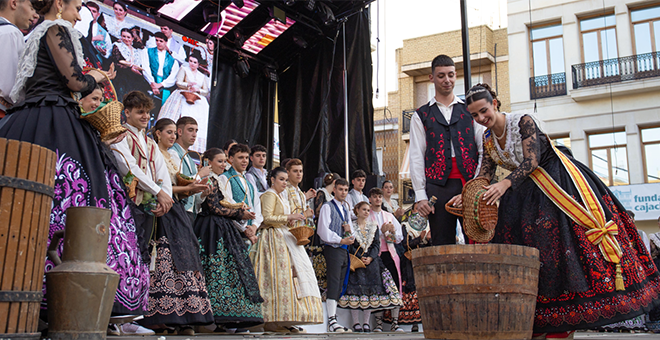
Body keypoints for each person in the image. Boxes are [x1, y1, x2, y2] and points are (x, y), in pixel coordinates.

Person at [463, 83, 660, 337]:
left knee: (558, 249)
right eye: (474, 115)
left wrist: (505, 183)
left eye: (484, 111)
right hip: (523, 189)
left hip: (554, 181)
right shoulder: (487, 137)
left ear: (496, 103)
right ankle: (537, 318)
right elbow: (485, 174)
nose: (481, 118)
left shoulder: (523, 121)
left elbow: (531, 161)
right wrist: (468, 194)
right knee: (523, 251)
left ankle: (565, 323)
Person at [0, 1, 150, 334]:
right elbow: (75, 82)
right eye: (77, 6)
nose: (79, 14)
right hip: (53, 118)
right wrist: (95, 76)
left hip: (25, 120)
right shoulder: (57, 29)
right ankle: (69, 298)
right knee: (83, 197)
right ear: (59, 3)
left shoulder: (33, 34)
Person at [142, 118, 213, 335]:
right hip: (162, 208)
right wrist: (196, 181)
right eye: (169, 132)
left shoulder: (178, 158)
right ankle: (158, 314)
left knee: (182, 261)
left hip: (179, 210)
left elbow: (181, 186)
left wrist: (196, 190)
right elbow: (161, 185)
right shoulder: (157, 152)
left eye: (174, 133)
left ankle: (181, 315)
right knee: (163, 259)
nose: (172, 136)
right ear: (158, 133)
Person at [111, 92, 174, 336]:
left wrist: (165, 198)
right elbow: (128, 166)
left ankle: (132, 315)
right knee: (122, 256)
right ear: (126, 112)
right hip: (125, 203)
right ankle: (117, 315)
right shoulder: (120, 136)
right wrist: (159, 192)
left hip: (145, 206)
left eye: (147, 113)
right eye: (140, 112)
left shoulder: (149, 143)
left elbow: (161, 172)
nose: (145, 117)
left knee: (141, 256)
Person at [410, 54, 484, 246]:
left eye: (450, 75)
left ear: (456, 75)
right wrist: (420, 196)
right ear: (432, 78)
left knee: (478, 241)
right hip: (437, 187)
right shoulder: (421, 115)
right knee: (442, 244)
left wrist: (478, 185)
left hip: (469, 184)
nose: (447, 80)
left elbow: (483, 149)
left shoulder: (470, 110)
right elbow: (417, 156)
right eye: (441, 75)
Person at [193, 148, 263, 332]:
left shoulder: (219, 179)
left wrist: (242, 214)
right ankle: (213, 318)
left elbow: (224, 206)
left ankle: (228, 318)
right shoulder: (208, 179)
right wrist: (239, 213)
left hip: (221, 227)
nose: (224, 165)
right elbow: (214, 207)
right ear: (209, 162)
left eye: (225, 161)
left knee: (227, 271)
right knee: (215, 270)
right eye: (220, 161)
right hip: (210, 228)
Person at [250, 167, 324, 333]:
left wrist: (288, 220)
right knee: (274, 278)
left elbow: (279, 217)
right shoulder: (269, 194)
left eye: (285, 179)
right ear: (273, 180)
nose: (284, 182)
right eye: (281, 179)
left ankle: (283, 319)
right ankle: (270, 319)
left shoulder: (280, 196)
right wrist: (289, 217)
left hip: (283, 236)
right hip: (271, 238)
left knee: (290, 278)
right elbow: (267, 218)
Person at [338, 201, 403, 333]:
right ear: (357, 210)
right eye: (364, 209)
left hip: (371, 262)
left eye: (368, 210)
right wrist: (359, 256)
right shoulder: (351, 226)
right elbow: (349, 243)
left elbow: (376, 245)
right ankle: (356, 322)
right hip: (356, 261)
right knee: (355, 291)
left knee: (370, 291)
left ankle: (366, 322)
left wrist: (371, 257)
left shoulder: (374, 226)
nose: (366, 212)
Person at [383, 201, 429, 332]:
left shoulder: (428, 224)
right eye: (416, 210)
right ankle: (410, 321)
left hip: (424, 259)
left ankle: (421, 320)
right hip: (410, 260)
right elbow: (404, 243)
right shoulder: (406, 225)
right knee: (410, 287)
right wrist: (419, 239)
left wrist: (427, 239)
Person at [317, 178, 355, 333]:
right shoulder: (327, 206)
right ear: (334, 189)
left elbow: (351, 231)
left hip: (343, 248)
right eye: (340, 189)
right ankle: (331, 320)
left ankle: (334, 318)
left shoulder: (345, 208)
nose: (343, 193)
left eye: (346, 190)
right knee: (333, 281)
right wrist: (340, 239)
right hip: (333, 247)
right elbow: (322, 230)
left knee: (340, 282)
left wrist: (348, 233)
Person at [366, 188, 405, 332]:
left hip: (390, 253)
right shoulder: (367, 215)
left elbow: (399, 238)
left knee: (394, 285)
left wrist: (393, 231)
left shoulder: (389, 215)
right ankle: (378, 323)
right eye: (375, 197)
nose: (377, 199)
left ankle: (395, 322)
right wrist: (379, 232)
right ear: (370, 199)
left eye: (379, 197)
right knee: (378, 287)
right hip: (375, 254)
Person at [157, 50, 209, 153]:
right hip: (182, 96)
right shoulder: (184, 69)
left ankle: (193, 147)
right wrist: (187, 85)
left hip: (197, 101)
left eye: (194, 62)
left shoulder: (201, 76)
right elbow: (178, 82)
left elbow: (206, 91)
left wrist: (197, 90)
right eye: (190, 61)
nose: (192, 64)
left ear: (198, 64)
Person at [167, 117, 210, 222]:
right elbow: (177, 182)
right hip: (177, 209)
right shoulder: (173, 153)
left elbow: (194, 196)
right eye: (190, 130)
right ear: (180, 131)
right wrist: (200, 174)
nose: (194, 134)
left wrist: (203, 193)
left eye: (196, 131)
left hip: (189, 212)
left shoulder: (189, 157)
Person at [218, 144, 261, 244]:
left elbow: (257, 206)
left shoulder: (248, 182)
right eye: (241, 157)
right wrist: (244, 228)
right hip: (232, 232)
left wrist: (254, 226)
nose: (245, 161)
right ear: (231, 158)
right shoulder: (225, 178)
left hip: (250, 233)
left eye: (246, 157)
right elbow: (228, 204)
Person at [0, 0, 37, 118]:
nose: (35, 15)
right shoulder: (10, 32)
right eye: (32, 8)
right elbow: (7, 89)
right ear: (14, 3)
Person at [141, 31, 179, 120]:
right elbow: (145, 68)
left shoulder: (173, 60)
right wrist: (153, 84)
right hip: (149, 82)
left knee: (159, 111)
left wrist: (160, 85)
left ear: (166, 42)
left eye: (161, 41)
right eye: (157, 40)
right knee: (144, 108)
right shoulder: (147, 51)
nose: (158, 43)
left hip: (164, 86)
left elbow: (173, 77)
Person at [110, 27, 147, 101]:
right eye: (123, 36)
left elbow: (139, 63)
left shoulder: (136, 50)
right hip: (121, 76)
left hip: (134, 77)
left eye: (128, 37)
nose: (126, 39)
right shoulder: (118, 46)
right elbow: (118, 60)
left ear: (132, 38)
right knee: (120, 96)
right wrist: (130, 66)